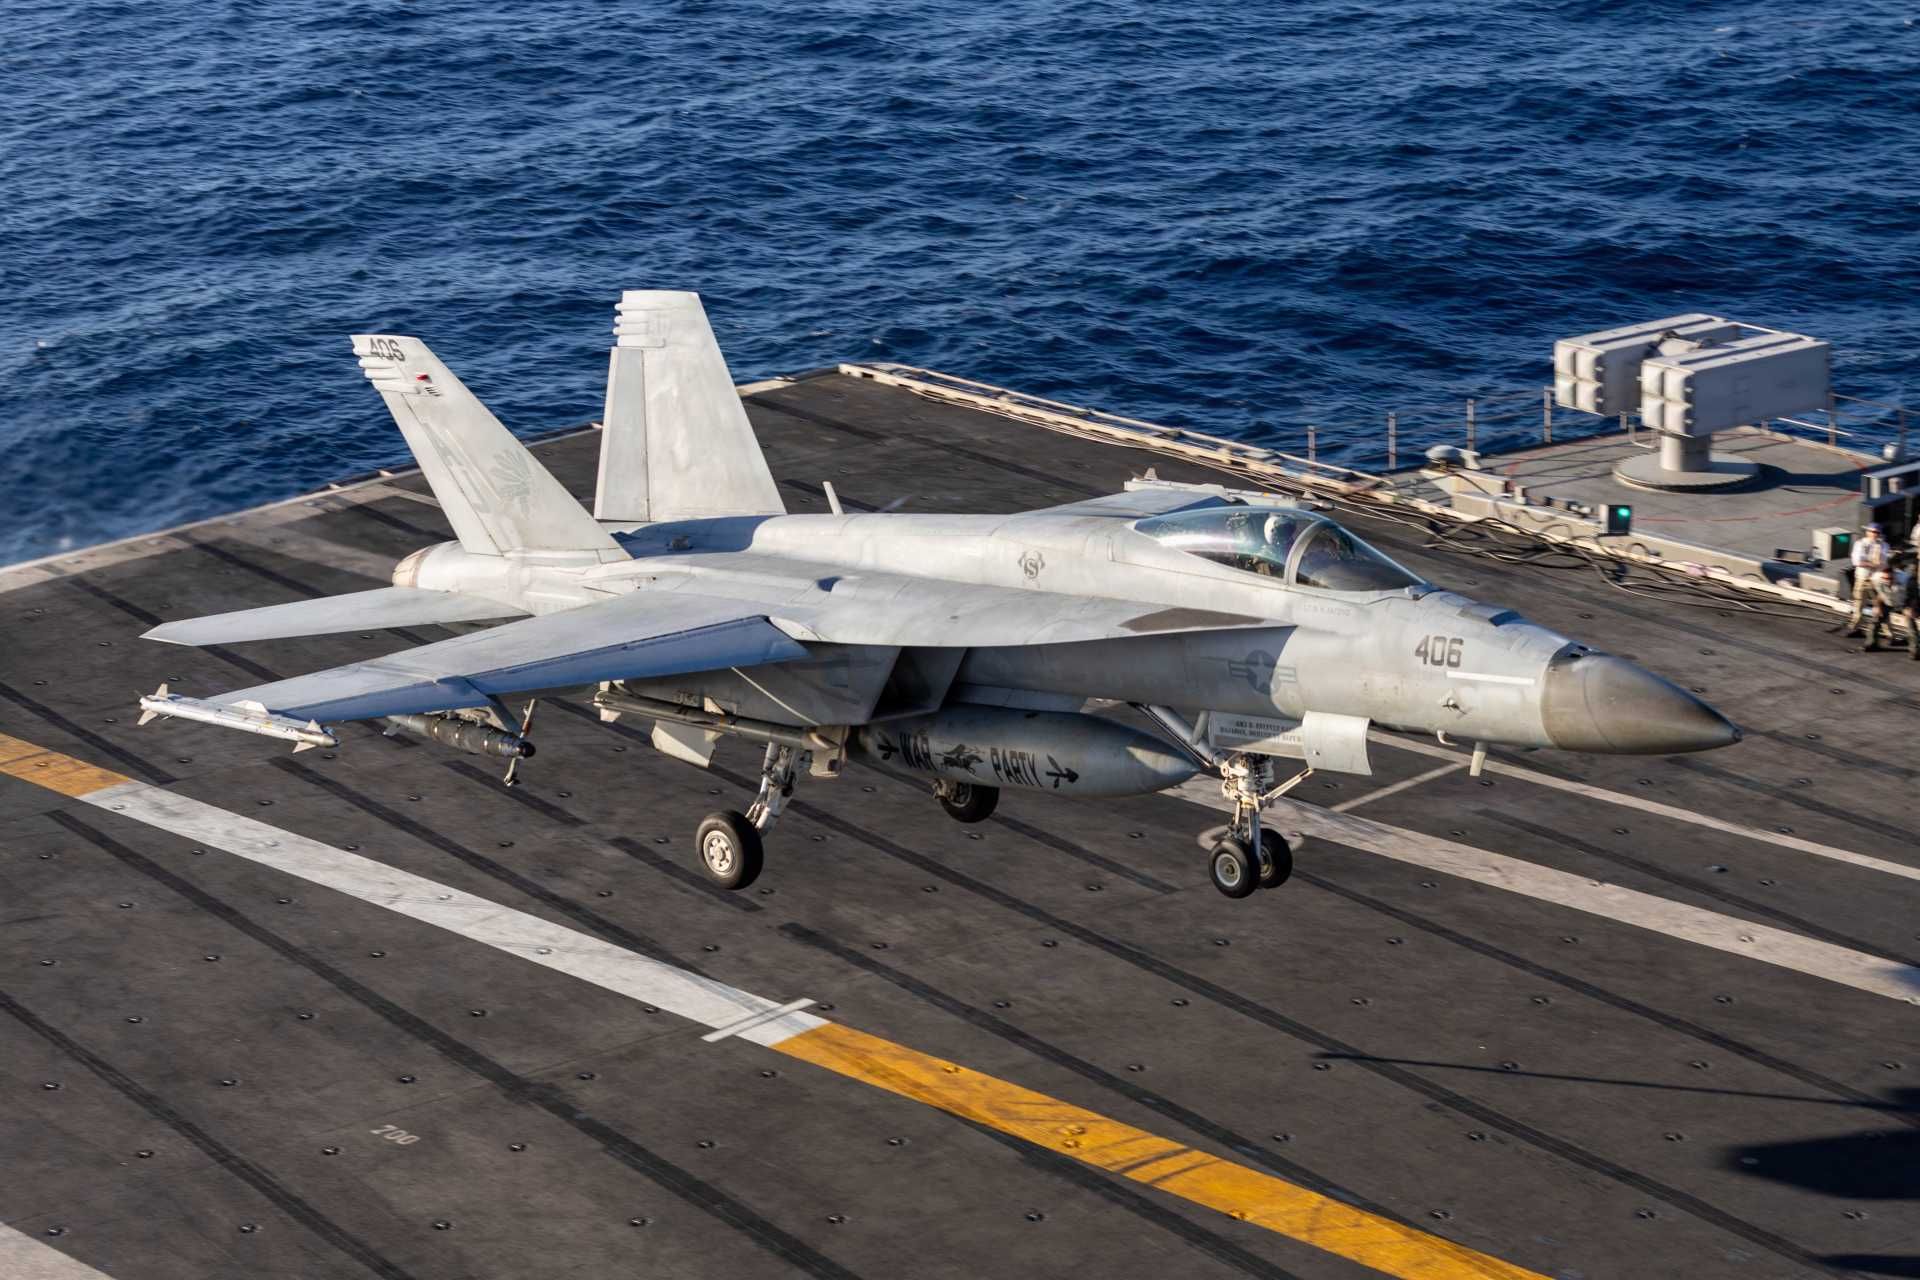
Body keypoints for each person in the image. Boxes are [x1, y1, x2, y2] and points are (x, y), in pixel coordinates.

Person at [1845, 523, 1890, 637]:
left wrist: (1873, 563)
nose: (1874, 535)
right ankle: (1855, 627)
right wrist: (1873, 564)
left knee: (1881, 606)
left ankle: (1888, 632)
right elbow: (1857, 562)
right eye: (1872, 532)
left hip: (1876, 579)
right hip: (1863, 578)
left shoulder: (1883, 545)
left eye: (1876, 533)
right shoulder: (1860, 544)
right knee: (1859, 603)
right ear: (1867, 532)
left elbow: (1884, 562)